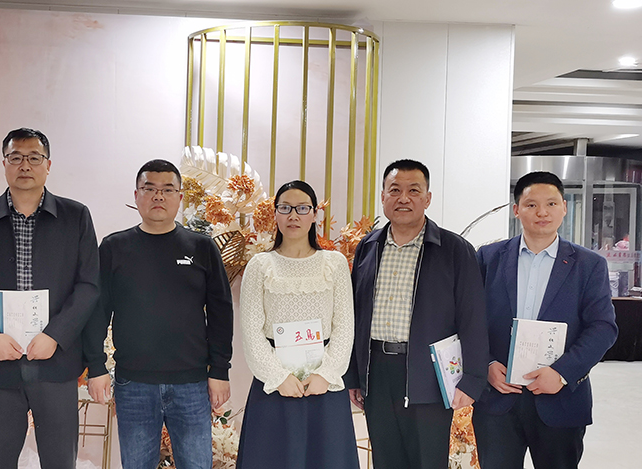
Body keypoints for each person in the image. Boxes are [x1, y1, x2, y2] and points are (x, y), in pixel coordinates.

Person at [0, 128, 99, 469]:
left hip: (56, 361)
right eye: (16, 157)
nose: (25, 165)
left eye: (34, 157)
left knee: (60, 461)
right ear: (4, 164)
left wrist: (55, 335)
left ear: (48, 165)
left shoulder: (75, 216)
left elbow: (88, 286)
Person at [84, 159, 233, 469]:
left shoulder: (202, 247)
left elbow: (221, 312)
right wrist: (96, 367)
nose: (158, 196)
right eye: (149, 188)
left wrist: (219, 371)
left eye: (167, 189)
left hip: (191, 383)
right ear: (136, 195)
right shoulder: (114, 247)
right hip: (134, 383)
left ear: (180, 197)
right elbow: (97, 311)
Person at [345, 159, 490, 469]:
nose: (403, 198)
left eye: (413, 190)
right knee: (385, 459)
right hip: (377, 373)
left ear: (428, 198)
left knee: (428, 461)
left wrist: (473, 379)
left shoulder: (454, 249)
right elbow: (355, 316)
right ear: (383, 196)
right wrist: (354, 375)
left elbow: (473, 318)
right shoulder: (368, 247)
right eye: (394, 190)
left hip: (429, 376)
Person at [474, 171, 618, 469]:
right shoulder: (488, 258)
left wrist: (562, 373)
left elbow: (603, 327)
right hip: (498, 397)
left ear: (564, 207)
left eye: (551, 204)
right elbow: (468, 320)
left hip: (560, 399)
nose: (542, 212)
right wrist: (485, 364)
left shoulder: (589, 265)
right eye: (531, 205)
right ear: (517, 210)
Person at [235, 180, 358, 469]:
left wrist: (325, 375)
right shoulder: (260, 266)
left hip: (324, 385)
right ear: (275, 214)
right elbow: (251, 331)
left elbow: (344, 326)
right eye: (285, 208)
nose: (293, 215)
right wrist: (278, 377)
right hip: (274, 386)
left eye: (302, 208)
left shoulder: (335, 263)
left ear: (315, 214)